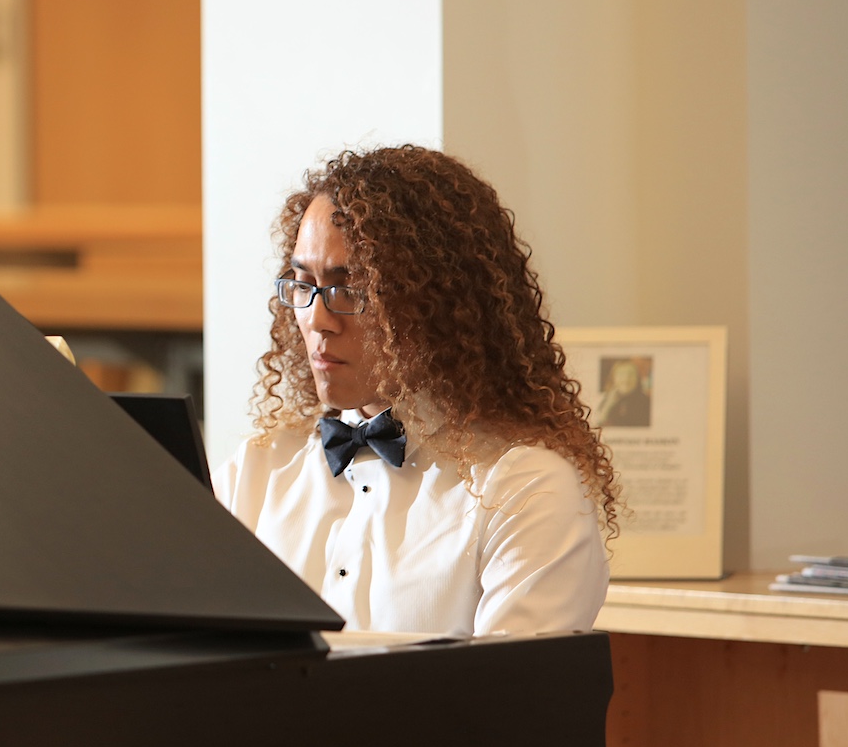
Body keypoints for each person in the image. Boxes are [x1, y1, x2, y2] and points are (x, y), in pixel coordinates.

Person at [213, 145, 619, 636]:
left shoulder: (524, 489)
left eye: (352, 289)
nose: (316, 319)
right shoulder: (255, 472)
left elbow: (505, 703)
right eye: (303, 284)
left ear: (436, 304)